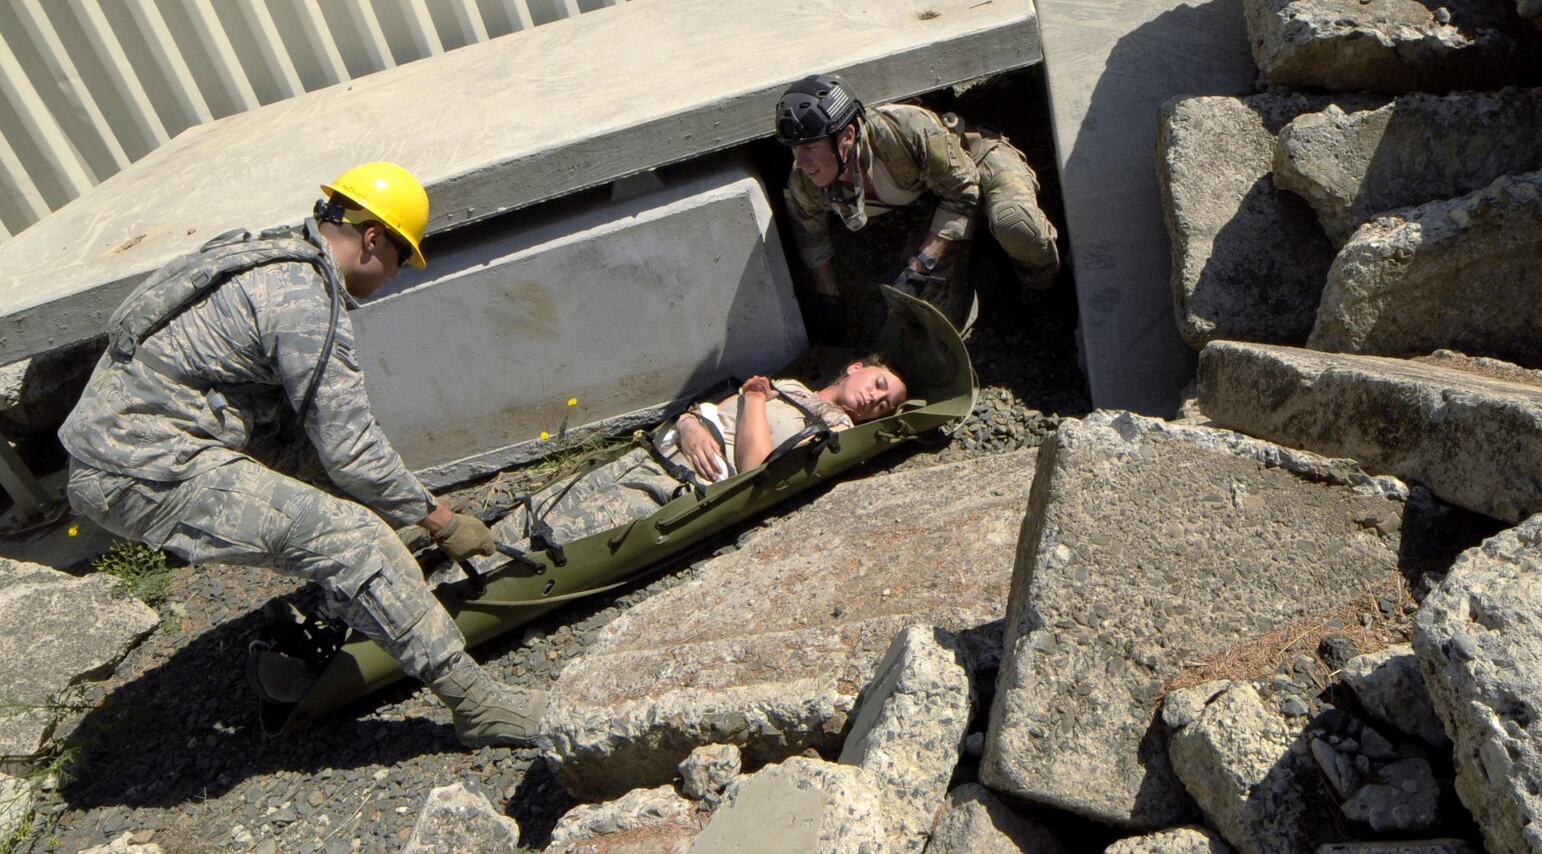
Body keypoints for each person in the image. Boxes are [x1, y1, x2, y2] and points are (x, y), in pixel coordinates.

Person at [58, 162, 546, 748]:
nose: (395, 275)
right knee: (353, 540)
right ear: (373, 239)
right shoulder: (305, 300)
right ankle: (480, 706)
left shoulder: (274, 258)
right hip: (144, 469)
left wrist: (403, 512)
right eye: (400, 258)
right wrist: (442, 520)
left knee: (355, 506)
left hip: (147, 439)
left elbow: (317, 441)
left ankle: (379, 591)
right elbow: (352, 449)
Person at [455, 356, 910, 580]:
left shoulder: (831, 432)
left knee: (536, 549)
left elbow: (757, 470)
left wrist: (754, 399)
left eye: (885, 403)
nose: (877, 398)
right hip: (651, 452)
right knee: (524, 517)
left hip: (666, 484)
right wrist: (690, 420)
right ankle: (428, 571)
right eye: (879, 383)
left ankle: (431, 606)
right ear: (855, 368)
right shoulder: (791, 385)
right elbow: (707, 411)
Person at [775, 74, 1059, 343]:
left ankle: (1042, 287)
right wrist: (829, 298)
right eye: (793, 150)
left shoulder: (907, 129)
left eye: (810, 147)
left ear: (846, 137)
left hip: (974, 164)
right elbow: (810, 235)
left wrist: (922, 263)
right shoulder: (806, 180)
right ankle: (983, 269)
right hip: (934, 202)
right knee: (923, 320)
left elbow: (962, 190)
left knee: (1014, 223)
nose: (800, 161)